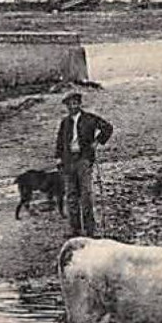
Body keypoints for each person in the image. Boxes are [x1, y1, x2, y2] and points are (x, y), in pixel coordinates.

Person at [55, 91, 113, 237]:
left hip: (84, 160)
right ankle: (75, 230)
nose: (72, 106)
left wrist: (97, 141)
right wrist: (58, 158)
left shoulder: (90, 119)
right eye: (69, 104)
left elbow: (107, 128)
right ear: (67, 106)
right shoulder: (65, 122)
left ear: (80, 104)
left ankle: (90, 230)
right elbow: (60, 142)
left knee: (86, 195)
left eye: (75, 103)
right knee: (71, 196)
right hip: (68, 162)